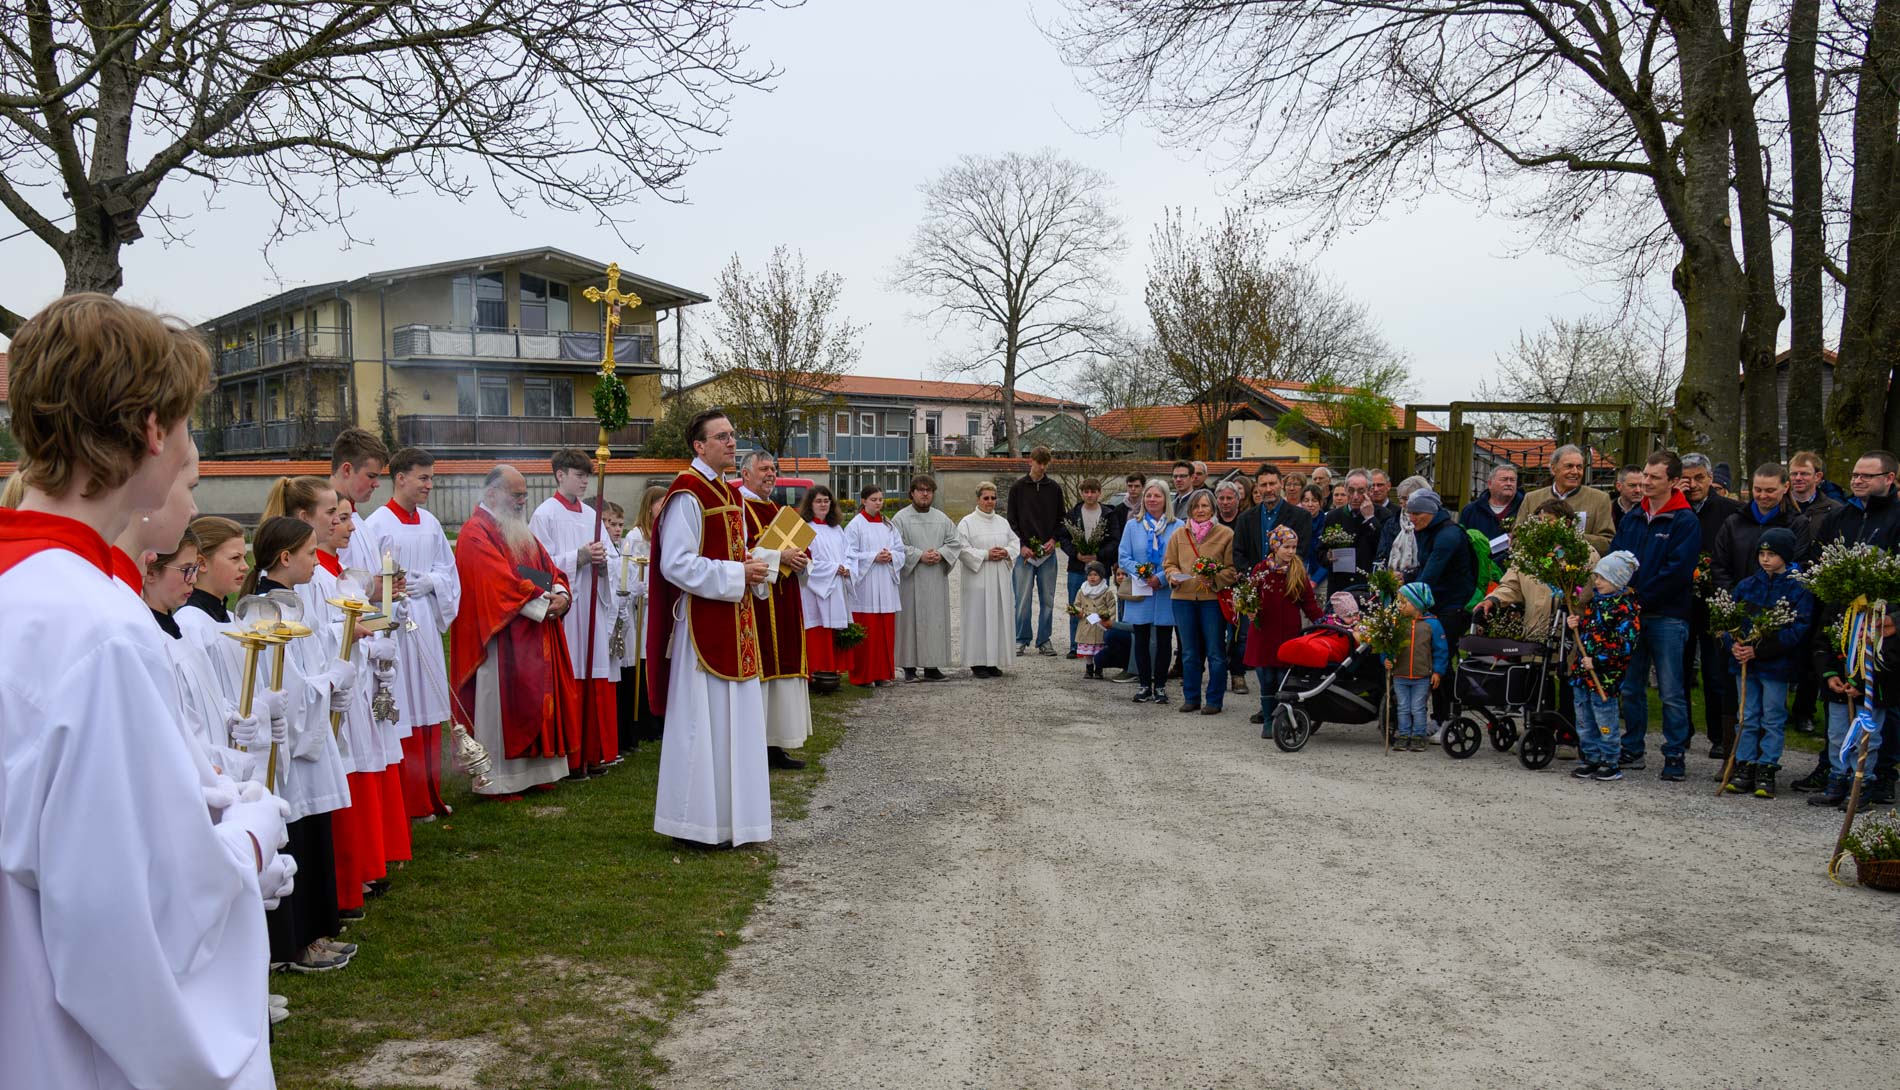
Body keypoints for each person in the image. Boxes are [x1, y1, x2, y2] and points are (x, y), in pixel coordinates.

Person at [0, 294, 294, 1088]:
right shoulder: (100, 627)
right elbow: (140, 913)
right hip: (67, 1044)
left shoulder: (28, 590)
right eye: (190, 426)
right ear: (152, 431)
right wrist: (250, 840)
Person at [647, 410, 774, 847]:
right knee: (702, 724)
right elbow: (675, 564)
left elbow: (738, 552)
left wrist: (757, 569)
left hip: (735, 621)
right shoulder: (688, 493)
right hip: (702, 628)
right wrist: (738, 574)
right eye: (720, 437)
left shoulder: (729, 492)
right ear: (698, 446)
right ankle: (696, 822)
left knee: (737, 721)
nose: (731, 442)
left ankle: (736, 821)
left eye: (733, 435)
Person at [452, 466, 580, 799]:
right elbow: (495, 581)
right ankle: (498, 779)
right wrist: (543, 602)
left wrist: (562, 595)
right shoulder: (474, 532)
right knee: (500, 707)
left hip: (533, 629)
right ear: (492, 494)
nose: (522, 501)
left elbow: (550, 569)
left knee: (537, 700)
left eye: (524, 494)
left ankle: (536, 772)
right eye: (516, 494)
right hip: (500, 636)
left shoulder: (517, 529)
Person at [360, 446, 462, 820]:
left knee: (428, 702)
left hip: (424, 620)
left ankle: (429, 794)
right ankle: (407, 799)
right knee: (404, 705)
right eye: (423, 477)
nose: (429, 485)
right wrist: (392, 600)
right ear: (400, 478)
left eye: (432, 478)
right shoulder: (376, 526)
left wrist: (429, 582)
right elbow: (367, 583)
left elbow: (447, 571)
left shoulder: (432, 523)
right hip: (396, 625)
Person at [1794, 450, 1900, 800]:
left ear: (1890, 479)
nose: (1857, 481)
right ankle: (1837, 774)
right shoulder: (1841, 517)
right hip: (1842, 620)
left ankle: (1872, 778)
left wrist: (1895, 619)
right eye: (1855, 475)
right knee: (1838, 706)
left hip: (1884, 625)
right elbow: (1818, 563)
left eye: (1867, 476)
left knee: (1879, 710)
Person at [1608, 450, 1703, 781]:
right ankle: (1632, 746)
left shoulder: (1685, 520)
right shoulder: (1634, 516)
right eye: (1645, 476)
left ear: (1674, 482)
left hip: (1667, 615)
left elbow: (1677, 570)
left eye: (1654, 478)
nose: (1645, 483)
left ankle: (1674, 751)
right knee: (1631, 686)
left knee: (1671, 689)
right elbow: (1618, 556)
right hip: (1631, 613)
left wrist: (1640, 598)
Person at [531, 448, 625, 775]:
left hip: (593, 606)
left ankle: (594, 752)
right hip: (567, 608)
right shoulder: (545, 515)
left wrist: (601, 565)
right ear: (559, 475)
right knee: (569, 675)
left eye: (587, 474)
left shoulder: (591, 515)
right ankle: (569, 756)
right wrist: (579, 558)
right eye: (578, 474)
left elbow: (613, 562)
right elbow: (536, 568)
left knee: (595, 674)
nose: (585, 480)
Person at [1719, 529, 1815, 800]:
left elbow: (1797, 630)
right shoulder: (1747, 585)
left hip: (1776, 665)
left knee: (1772, 716)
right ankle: (1744, 764)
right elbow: (1728, 621)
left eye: (1771, 554)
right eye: (1762, 554)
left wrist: (1758, 651)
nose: (1765, 559)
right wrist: (1733, 643)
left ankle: (1767, 767)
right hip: (1743, 665)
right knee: (1746, 715)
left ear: (1785, 555)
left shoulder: (1797, 588)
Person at [737, 451, 813, 770]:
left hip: (785, 599)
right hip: (756, 601)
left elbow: (802, 551)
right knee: (763, 670)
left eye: (774, 469)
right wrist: (778, 557)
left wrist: (799, 560)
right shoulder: (738, 508)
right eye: (764, 469)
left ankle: (777, 743)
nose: (771, 474)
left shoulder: (779, 511)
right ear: (745, 473)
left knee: (785, 670)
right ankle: (755, 745)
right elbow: (739, 550)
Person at [1680, 452, 1746, 760]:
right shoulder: (1674, 508)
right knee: (1678, 671)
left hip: (1715, 599)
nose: (1692, 485)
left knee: (1715, 670)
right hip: (1678, 599)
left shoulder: (1730, 511)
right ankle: (1680, 732)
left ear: (1710, 480)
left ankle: (1720, 735)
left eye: (1699, 479)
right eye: (1687, 479)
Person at [1474, 500, 1599, 643]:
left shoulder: (1584, 554)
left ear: (1566, 524)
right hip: (1532, 637)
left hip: (1568, 638)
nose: (1542, 525)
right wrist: (1493, 600)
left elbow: (1587, 595)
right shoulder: (1529, 551)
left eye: (1549, 520)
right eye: (1539, 520)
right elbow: (1511, 585)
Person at [1565, 551, 1642, 781]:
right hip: (1583, 673)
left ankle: (1610, 759)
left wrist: (1598, 660)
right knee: (1584, 718)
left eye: (1603, 578)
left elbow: (1625, 645)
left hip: (1604, 677)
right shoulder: (1595, 604)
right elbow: (1587, 633)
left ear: (1618, 581)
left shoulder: (1625, 609)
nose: (1597, 582)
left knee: (1604, 718)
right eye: (1596, 577)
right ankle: (1591, 756)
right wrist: (1575, 624)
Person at [1405, 489, 1477, 733]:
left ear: (1430, 512)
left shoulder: (1448, 535)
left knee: (1441, 661)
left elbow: (1430, 575)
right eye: (1409, 513)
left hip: (1453, 606)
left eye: (1415, 513)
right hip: (1438, 602)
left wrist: (1408, 595)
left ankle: (1446, 716)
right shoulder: (1428, 531)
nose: (1411, 518)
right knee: (1434, 660)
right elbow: (1423, 569)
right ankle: (1439, 714)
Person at [1242, 525, 1322, 735]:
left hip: (1287, 634)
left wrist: (1324, 622)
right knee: (1266, 679)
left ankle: (1283, 719)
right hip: (1263, 634)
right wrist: (1248, 609)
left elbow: (1309, 603)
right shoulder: (1260, 570)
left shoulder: (1297, 571)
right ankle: (1268, 720)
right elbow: (1248, 596)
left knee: (1282, 679)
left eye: (1294, 547)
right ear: (1275, 547)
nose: (1290, 551)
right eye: (1286, 547)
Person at [1165, 489, 1238, 715]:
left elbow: (1232, 570)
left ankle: (1214, 700)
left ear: (1213, 509)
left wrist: (1213, 578)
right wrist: (1172, 576)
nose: (1200, 510)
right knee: (1188, 651)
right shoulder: (1179, 534)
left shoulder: (1225, 534)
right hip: (1183, 598)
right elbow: (1169, 563)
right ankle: (1191, 697)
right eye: (1196, 506)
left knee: (1215, 651)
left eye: (1205, 506)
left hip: (1211, 600)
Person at [892, 474, 961, 681]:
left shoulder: (942, 518)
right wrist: (918, 555)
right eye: (920, 490)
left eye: (928, 490)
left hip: (934, 580)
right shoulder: (900, 518)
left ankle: (932, 666)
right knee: (909, 622)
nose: (924, 494)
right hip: (911, 579)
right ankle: (909, 667)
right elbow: (896, 546)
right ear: (911, 493)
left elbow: (954, 542)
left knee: (935, 621)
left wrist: (940, 554)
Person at [1119, 481, 1182, 704]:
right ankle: (1145, 684)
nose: (1152, 500)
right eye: (1148, 496)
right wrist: (1143, 573)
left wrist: (1161, 578)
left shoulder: (1178, 526)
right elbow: (1124, 556)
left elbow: (1181, 559)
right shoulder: (1133, 526)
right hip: (1141, 587)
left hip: (1165, 591)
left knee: (1164, 640)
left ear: (1166, 499)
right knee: (1142, 639)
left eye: (1157, 496)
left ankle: (1162, 686)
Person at [617, 485, 667, 749]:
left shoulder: (663, 534)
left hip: (657, 605)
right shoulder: (636, 537)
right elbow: (630, 570)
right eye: (661, 504)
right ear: (650, 507)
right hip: (642, 607)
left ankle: (658, 718)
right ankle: (645, 721)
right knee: (643, 662)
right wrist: (645, 589)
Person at [1711, 463, 1811, 590]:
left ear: (1785, 487)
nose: (1763, 496)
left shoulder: (1797, 524)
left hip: (1779, 603)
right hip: (1737, 602)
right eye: (1758, 490)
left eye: (1770, 490)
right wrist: (1733, 597)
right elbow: (1720, 565)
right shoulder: (1734, 523)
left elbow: (1798, 566)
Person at [957, 481, 1021, 677]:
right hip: (978, 579)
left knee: (998, 617)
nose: (990, 502)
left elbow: (1015, 542)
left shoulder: (1002, 522)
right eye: (986, 498)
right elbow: (961, 548)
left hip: (1000, 577)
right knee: (978, 618)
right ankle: (977, 662)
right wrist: (985, 554)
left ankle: (993, 660)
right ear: (978, 499)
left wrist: (1006, 552)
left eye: (993, 498)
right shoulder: (967, 522)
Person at [844, 484, 905, 687]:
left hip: (885, 584)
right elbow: (849, 554)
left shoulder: (889, 524)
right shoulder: (855, 525)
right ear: (863, 501)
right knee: (868, 632)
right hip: (866, 586)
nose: (878, 503)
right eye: (874, 499)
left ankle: (882, 674)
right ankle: (863, 676)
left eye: (880, 499)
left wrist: (891, 556)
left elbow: (900, 549)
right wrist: (873, 557)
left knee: (884, 632)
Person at [1007, 446, 1065, 655]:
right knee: (1022, 599)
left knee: (1048, 600)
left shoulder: (1055, 489)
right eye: (1038, 462)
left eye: (1044, 463)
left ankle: (1044, 640)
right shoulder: (1018, 488)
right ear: (1030, 461)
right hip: (1025, 554)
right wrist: (1021, 545)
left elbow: (1062, 520)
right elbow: (1011, 521)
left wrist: (1054, 540)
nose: (1041, 467)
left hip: (1048, 554)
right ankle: (1021, 638)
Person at [799, 486, 853, 685]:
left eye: (826, 501)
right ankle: (815, 673)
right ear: (810, 505)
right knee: (817, 628)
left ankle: (832, 671)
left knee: (833, 628)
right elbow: (805, 560)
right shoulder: (805, 528)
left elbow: (848, 553)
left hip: (836, 585)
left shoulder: (837, 528)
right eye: (819, 501)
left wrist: (847, 567)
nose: (823, 505)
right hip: (814, 588)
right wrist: (832, 569)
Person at [1520, 444, 1616, 554]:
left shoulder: (1599, 499)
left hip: (1583, 567)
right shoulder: (1532, 499)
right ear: (1553, 468)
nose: (1575, 472)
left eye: (1579, 467)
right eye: (1569, 466)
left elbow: (1608, 543)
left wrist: (1571, 537)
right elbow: (1517, 539)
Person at [1060, 477, 1118, 656]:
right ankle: (1075, 645)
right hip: (1077, 567)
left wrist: (1098, 555)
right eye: (1086, 491)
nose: (1090, 495)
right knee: (1076, 606)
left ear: (1099, 493)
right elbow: (1064, 538)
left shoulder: (1108, 513)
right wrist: (1076, 553)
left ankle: (1099, 645)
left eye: (1093, 491)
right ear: (1081, 493)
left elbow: (1114, 539)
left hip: (1100, 568)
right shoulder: (1072, 514)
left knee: (1100, 608)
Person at [1387, 582, 1448, 752]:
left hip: (1422, 675)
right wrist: (1387, 659)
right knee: (1403, 706)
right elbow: (1388, 646)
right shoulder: (1397, 624)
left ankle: (1418, 735)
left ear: (1417, 604)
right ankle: (1404, 734)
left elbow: (1440, 650)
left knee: (1418, 707)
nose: (1400, 606)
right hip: (1400, 674)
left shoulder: (1432, 625)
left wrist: (1438, 671)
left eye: (1404, 602)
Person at [1324, 469, 1388, 584]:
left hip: (1369, 583)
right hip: (1339, 583)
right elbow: (1320, 550)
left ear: (1369, 491)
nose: (1355, 496)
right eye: (1351, 490)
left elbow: (1384, 549)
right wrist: (1327, 557)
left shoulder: (1384, 515)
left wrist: (1370, 519)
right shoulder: (1333, 516)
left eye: (1360, 491)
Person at [1073, 562, 1119, 679]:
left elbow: (1112, 606)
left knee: (1099, 648)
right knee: (1088, 649)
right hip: (1086, 623)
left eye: (1095, 574)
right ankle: (1089, 668)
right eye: (1090, 575)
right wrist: (1078, 611)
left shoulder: (1106, 591)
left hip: (1100, 624)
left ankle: (1099, 669)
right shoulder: (1082, 590)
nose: (1092, 577)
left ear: (1101, 576)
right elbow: (1076, 604)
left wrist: (1109, 620)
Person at [1459, 464, 1522, 549]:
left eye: (1512, 480)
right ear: (1489, 484)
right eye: (1504, 480)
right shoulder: (1471, 511)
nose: (1509, 483)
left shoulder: (1524, 507)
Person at [1788, 450, 1843, 525]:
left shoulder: (1835, 510)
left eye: (1804, 474)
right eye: (1794, 474)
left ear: (1817, 476)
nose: (1798, 478)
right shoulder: (1779, 507)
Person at [1609, 464, 1645, 531]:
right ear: (1619, 486)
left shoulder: (1650, 512)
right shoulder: (1608, 510)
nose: (1638, 490)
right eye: (1632, 485)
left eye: (1641, 485)